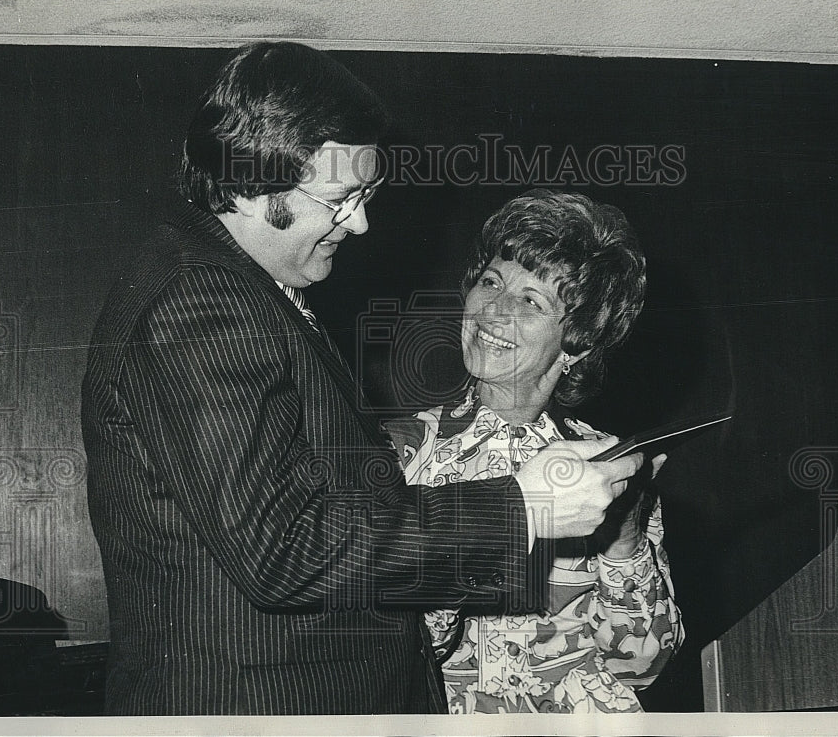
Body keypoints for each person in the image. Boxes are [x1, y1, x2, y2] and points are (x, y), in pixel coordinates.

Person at [81, 42, 647, 715]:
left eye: (367, 194)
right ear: (249, 184)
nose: (362, 222)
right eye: (342, 199)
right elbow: (280, 546)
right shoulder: (204, 298)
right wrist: (523, 508)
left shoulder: (235, 284)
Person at [386, 190, 684, 713]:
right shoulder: (401, 454)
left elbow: (642, 668)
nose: (494, 311)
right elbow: (395, 654)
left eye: (530, 300)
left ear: (578, 343)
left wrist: (625, 535)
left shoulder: (608, 464)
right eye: (491, 282)